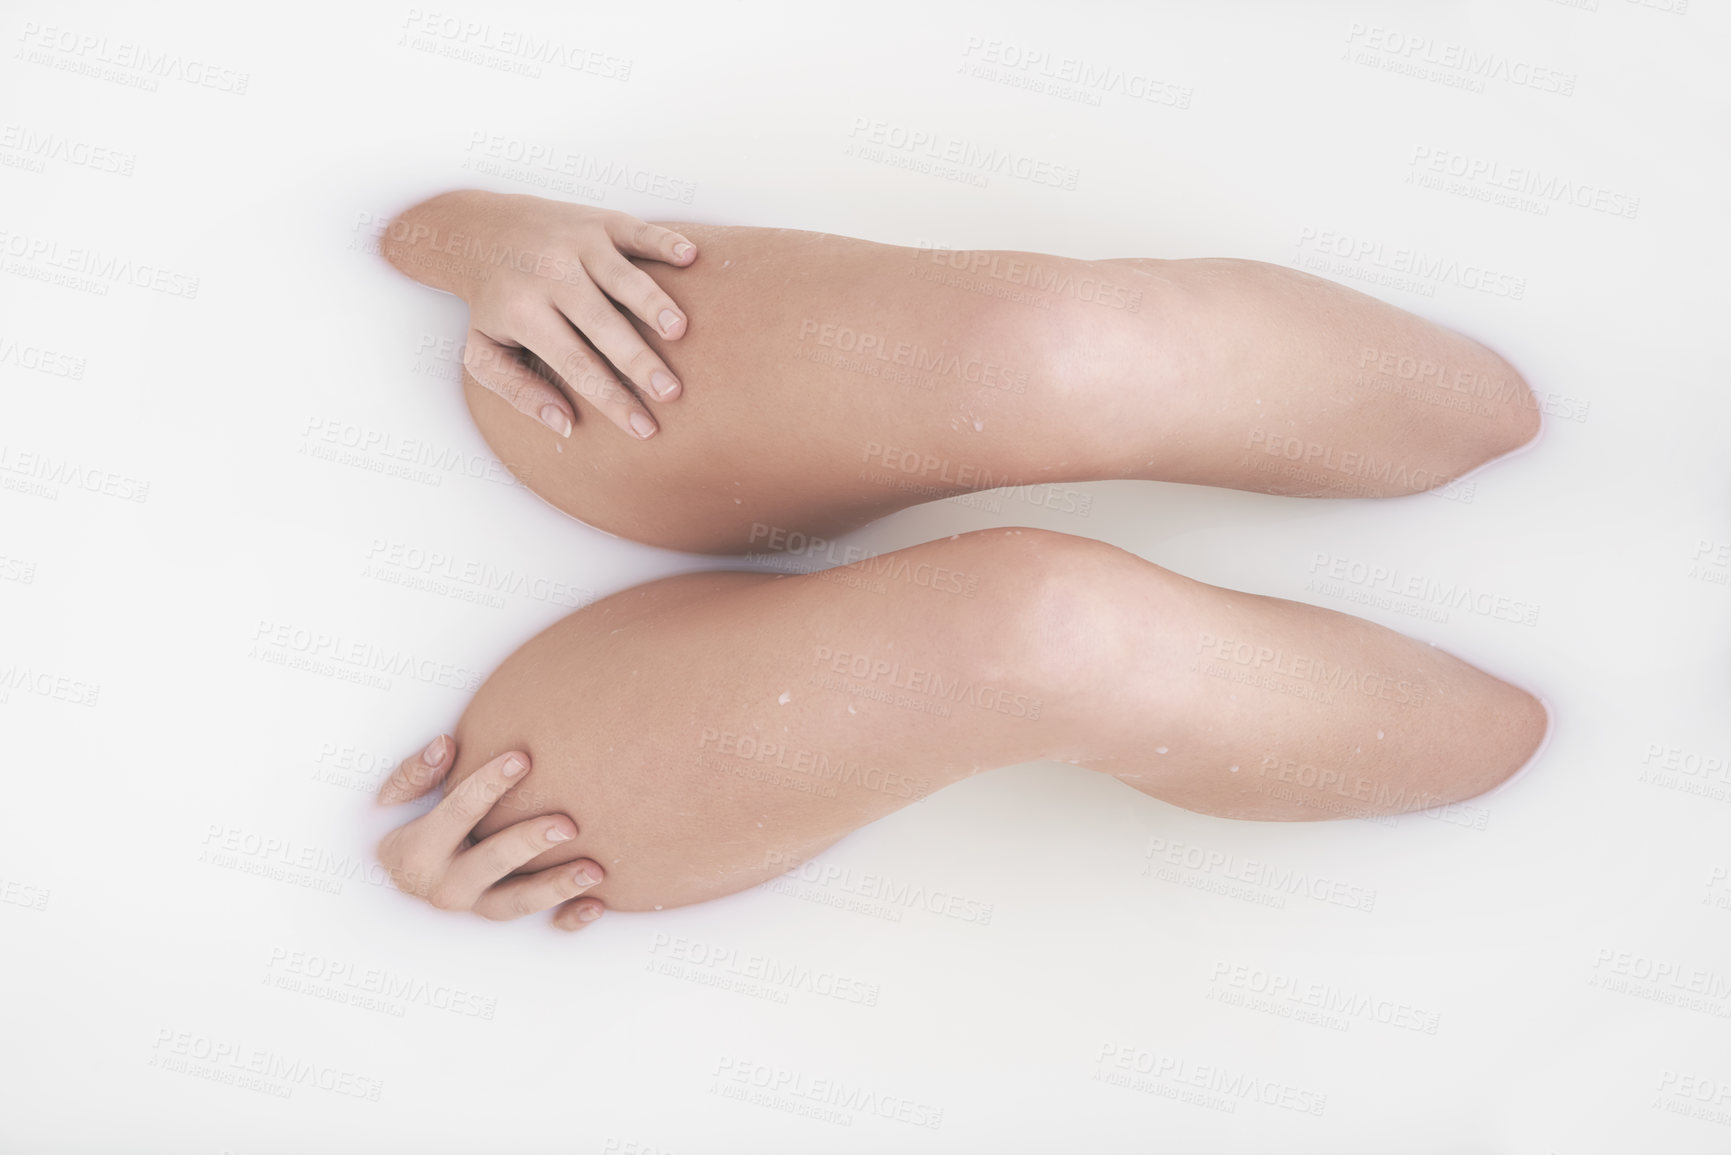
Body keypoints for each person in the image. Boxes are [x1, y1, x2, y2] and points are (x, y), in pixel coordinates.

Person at [371, 191, 1548, 931]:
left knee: (1045, 361)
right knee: (1042, 628)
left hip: (550, 444)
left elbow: (384, 216)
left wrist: (468, 232)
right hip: (497, 773)